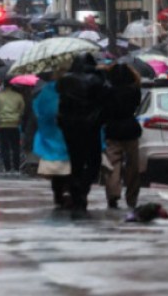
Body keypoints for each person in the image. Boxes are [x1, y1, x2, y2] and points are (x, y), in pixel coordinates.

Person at [56, 54, 109, 216]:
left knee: (76, 162)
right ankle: (83, 188)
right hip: (90, 127)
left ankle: (76, 188)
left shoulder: (64, 80)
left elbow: (61, 101)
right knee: (94, 161)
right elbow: (103, 100)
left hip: (69, 128)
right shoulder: (96, 80)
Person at [102, 63, 142, 210]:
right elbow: (137, 105)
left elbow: (104, 110)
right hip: (130, 130)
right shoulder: (134, 91)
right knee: (133, 166)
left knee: (112, 165)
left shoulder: (107, 92)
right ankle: (132, 197)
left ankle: (113, 194)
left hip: (112, 130)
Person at [32, 76, 70, 210]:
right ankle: (65, 192)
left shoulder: (49, 93)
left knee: (57, 169)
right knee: (66, 167)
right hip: (65, 135)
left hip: (55, 136)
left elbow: (40, 113)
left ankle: (59, 193)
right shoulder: (73, 91)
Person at [0, 82, 25, 174]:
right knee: (15, 147)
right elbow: (22, 110)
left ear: (3, 85)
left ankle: (7, 168)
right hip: (14, 125)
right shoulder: (18, 96)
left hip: (2, 125)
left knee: (4, 147)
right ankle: (16, 168)